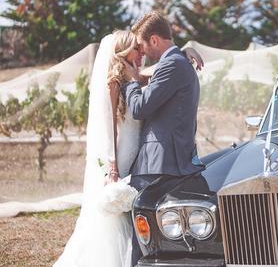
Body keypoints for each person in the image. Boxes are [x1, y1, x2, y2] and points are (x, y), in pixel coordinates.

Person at [54, 30, 203, 267]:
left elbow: (165, 69)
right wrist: (112, 167)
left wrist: (183, 52)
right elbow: (109, 127)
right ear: (123, 52)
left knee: (132, 219)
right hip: (122, 157)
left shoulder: (135, 76)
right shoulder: (114, 82)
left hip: (138, 156)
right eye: (136, 48)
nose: (142, 52)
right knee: (120, 220)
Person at [123, 11, 202, 266]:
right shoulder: (178, 62)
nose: (142, 52)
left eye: (143, 45)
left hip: (157, 165)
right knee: (163, 239)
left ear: (154, 40)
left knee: (142, 239)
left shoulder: (173, 64)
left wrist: (132, 82)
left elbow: (139, 108)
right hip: (170, 161)